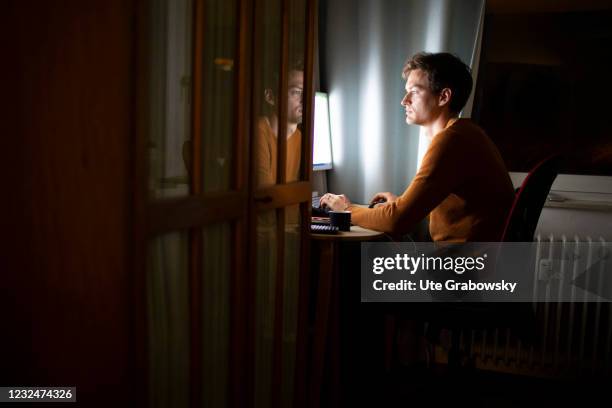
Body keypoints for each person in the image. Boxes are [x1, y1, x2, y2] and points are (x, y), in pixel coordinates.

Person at [320, 52, 514, 242]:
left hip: (462, 267)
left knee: (355, 263)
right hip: (475, 263)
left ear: (444, 97)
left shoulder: (452, 140)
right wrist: (399, 205)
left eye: (414, 91)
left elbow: (397, 221)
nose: (404, 100)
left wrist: (345, 209)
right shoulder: (466, 134)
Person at [256, 60, 304, 188]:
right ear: (270, 97)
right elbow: (267, 198)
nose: (305, 99)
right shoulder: (258, 132)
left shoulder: (300, 138)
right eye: (297, 92)